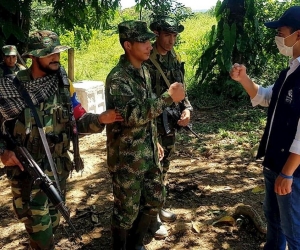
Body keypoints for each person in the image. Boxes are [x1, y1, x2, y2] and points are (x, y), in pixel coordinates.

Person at [0, 30, 123, 250]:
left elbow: (79, 121)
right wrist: (3, 152)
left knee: (53, 223)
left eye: (57, 52)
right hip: (26, 173)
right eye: (49, 54)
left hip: (57, 169)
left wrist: (100, 119)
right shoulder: (12, 87)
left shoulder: (63, 85)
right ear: (33, 57)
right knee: (41, 230)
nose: (56, 57)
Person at [105, 20, 185, 249]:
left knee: (154, 200)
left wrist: (155, 140)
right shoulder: (119, 78)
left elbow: (148, 114)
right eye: (143, 41)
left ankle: (136, 243)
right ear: (128, 45)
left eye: (150, 40)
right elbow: (132, 115)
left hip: (148, 150)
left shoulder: (144, 71)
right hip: (127, 157)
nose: (149, 45)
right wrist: (167, 97)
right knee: (126, 210)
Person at [230, 6, 300, 250]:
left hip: (291, 171)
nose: (278, 38)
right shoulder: (290, 70)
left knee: (294, 231)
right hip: (274, 163)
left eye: (281, 32)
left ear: (298, 35)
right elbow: (267, 97)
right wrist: (244, 79)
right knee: (275, 222)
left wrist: (288, 172)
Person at [144, 15, 193, 238]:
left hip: (170, 121)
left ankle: (159, 205)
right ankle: (150, 218)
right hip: (150, 121)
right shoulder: (146, 58)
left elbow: (181, 88)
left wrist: (187, 109)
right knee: (152, 168)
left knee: (165, 166)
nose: (172, 40)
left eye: (174, 35)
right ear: (156, 34)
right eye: (167, 35)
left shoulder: (174, 57)